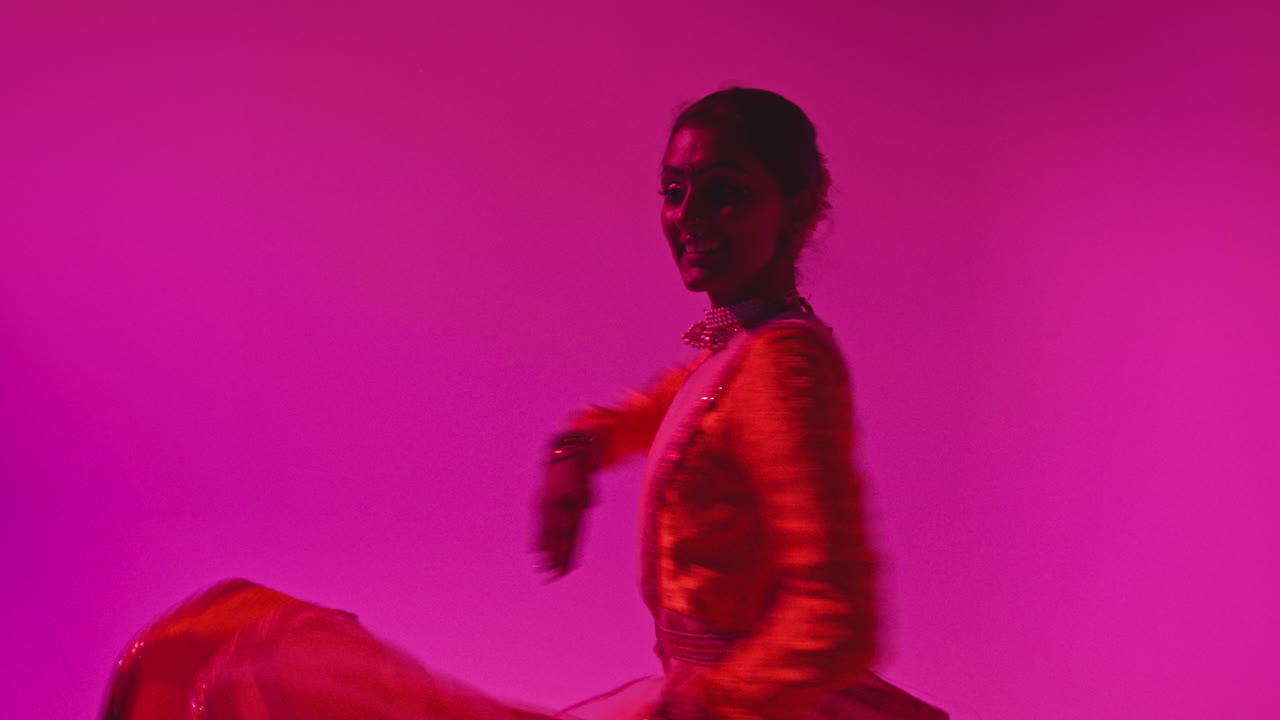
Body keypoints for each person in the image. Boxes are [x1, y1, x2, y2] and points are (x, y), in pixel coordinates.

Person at [102, 88, 947, 720]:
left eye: (723, 192)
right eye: (673, 189)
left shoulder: (786, 367)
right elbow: (672, 405)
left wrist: (701, 706)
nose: (688, 217)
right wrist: (578, 451)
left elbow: (839, 615)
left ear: (793, 207)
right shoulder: (747, 348)